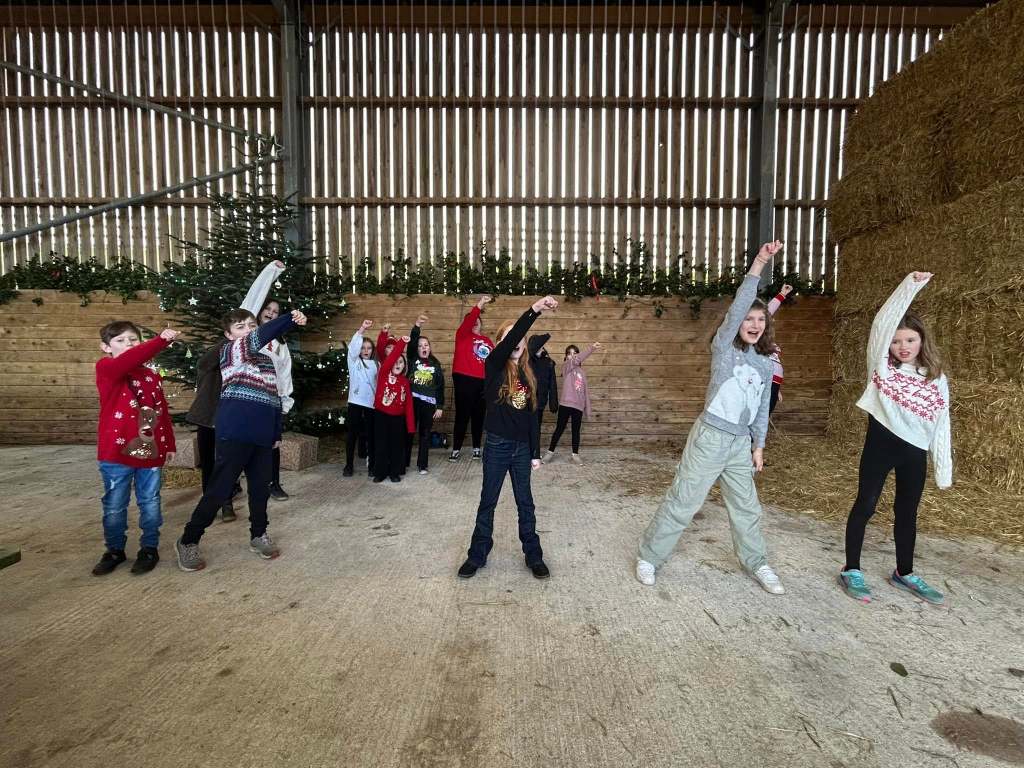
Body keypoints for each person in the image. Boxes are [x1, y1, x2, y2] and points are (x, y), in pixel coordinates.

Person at [635, 241, 786, 595]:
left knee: (747, 507)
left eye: (760, 319)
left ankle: (757, 562)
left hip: (739, 445)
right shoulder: (724, 349)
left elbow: (762, 408)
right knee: (684, 500)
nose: (753, 324)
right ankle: (650, 556)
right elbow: (737, 309)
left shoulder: (765, 363)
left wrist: (759, 445)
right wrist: (760, 261)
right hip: (710, 438)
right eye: (748, 318)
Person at [839, 272, 952, 605]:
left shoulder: (936, 378)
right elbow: (880, 323)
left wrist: (943, 469)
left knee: (907, 512)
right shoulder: (881, 369)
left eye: (910, 340)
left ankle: (904, 572)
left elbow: (941, 423)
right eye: (897, 341)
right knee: (866, 504)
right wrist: (909, 286)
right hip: (881, 445)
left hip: (914, 452)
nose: (903, 347)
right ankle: (851, 569)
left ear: (922, 341)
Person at [175, 308, 306, 572]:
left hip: (262, 436)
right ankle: (189, 540)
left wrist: (276, 434)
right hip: (235, 433)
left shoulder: (267, 361)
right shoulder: (231, 353)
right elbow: (259, 336)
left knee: (260, 489)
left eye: (250, 325)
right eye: (240, 327)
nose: (247, 330)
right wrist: (289, 319)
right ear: (228, 334)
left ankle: (259, 535)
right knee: (220, 489)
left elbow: (274, 399)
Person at [458, 296, 559, 581]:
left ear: (525, 345)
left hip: (521, 449)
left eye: (521, 339)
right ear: (501, 343)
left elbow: (531, 418)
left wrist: (535, 453)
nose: (516, 342)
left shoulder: (529, 376)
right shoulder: (493, 367)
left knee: (525, 503)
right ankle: (477, 554)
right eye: (510, 337)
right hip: (497, 447)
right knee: (488, 501)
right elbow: (513, 337)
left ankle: (533, 554)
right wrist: (535, 310)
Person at [92, 322, 179, 575]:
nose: (128, 344)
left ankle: (149, 548)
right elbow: (128, 361)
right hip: (114, 453)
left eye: (133, 340)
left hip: (149, 451)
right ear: (105, 347)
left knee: (150, 501)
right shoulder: (107, 368)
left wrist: (169, 443)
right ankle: (114, 550)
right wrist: (160, 340)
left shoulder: (151, 376)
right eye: (120, 340)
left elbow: (161, 412)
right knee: (115, 505)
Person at [241, 261, 294, 501]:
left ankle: (274, 483)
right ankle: (232, 485)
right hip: (247, 397)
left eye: (276, 312)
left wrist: (284, 401)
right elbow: (254, 295)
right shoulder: (249, 335)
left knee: (273, 444)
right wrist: (272, 271)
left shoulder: (280, 344)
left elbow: (285, 373)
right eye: (268, 310)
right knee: (241, 444)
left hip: (271, 400)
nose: (272, 314)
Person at [449, 295, 495, 462]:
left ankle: (477, 447)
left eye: (478, 320)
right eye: (472, 320)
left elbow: (494, 361)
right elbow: (470, 320)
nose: (475, 322)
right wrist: (479, 305)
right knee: (462, 415)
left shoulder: (487, 341)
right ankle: (456, 449)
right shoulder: (462, 335)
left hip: (483, 382)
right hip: (464, 379)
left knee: (479, 416)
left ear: (482, 324)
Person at [543, 342, 602, 464]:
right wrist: (591, 348)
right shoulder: (566, 367)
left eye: (575, 353)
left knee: (576, 431)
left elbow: (585, 393)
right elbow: (576, 360)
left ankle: (575, 455)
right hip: (566, 405)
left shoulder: (582, 373)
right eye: (569, 354)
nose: (572, 356)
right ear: (566, 357)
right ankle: (549, 453)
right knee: (559, 429)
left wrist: (588, 410)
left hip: (578, 407)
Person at [372, 336, 415, 483]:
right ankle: (380, 472)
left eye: (401, 362)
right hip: (381, 416)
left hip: (398, 418)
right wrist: (402, 343)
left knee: (396, 446)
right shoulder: (383, 374)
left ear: (404, 366)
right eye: (395, 361)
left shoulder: (404, 382)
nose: (398, 364)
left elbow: (409, 405)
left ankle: (394, 472)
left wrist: (410, 427)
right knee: (381, 445)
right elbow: (391, 358)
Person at [406, 314, 445, 474]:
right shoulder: (412, 358)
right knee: (409, 431)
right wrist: (417, 326)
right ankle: (404, 461)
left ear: (430, 347)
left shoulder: (435, 364)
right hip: (412, 402)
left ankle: (422, 465)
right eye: (421, 345)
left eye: (426, 345)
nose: (423, 347)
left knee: (425, 434)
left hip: (428, 404)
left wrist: (440, 406)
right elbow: (412, 342)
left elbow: (440, 386)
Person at [344, 319, 379, 477]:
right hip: (355, 403)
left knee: (371, 435)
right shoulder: (353, 361)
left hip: (371, 405)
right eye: (363, 348)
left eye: (369, 348)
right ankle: (349, 465)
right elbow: (352, 348)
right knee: (352, 435)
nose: (366, 350)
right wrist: (362, 329)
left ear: (373, 350)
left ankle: (372, 466)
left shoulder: (377, 365)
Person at [527, 333, 560, 456]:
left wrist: (553, 402)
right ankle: (524, 452)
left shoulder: (548, 362)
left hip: (540, 402)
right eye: (540, 346)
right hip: (526, 402)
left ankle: (535, 453)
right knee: (524, 427)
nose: (542, 349)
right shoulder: (526, 361)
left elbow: (553, 383)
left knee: (536, 428)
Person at [766, 284, 794, 415]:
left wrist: (777, 390)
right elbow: (767, 312)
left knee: (765, 417)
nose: (773, 320)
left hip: (773, 384)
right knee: (760, 418)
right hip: (766, 383)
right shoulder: (755, 338)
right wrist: (782, 295)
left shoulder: (770, 342)